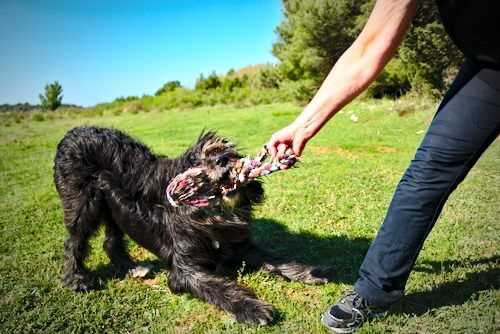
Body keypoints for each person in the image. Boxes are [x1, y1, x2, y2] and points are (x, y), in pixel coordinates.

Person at [267, 0, 500, 332]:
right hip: (489, 68)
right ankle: (374, 292)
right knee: (428, 168)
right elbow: (369, 46)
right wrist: (302, 126)